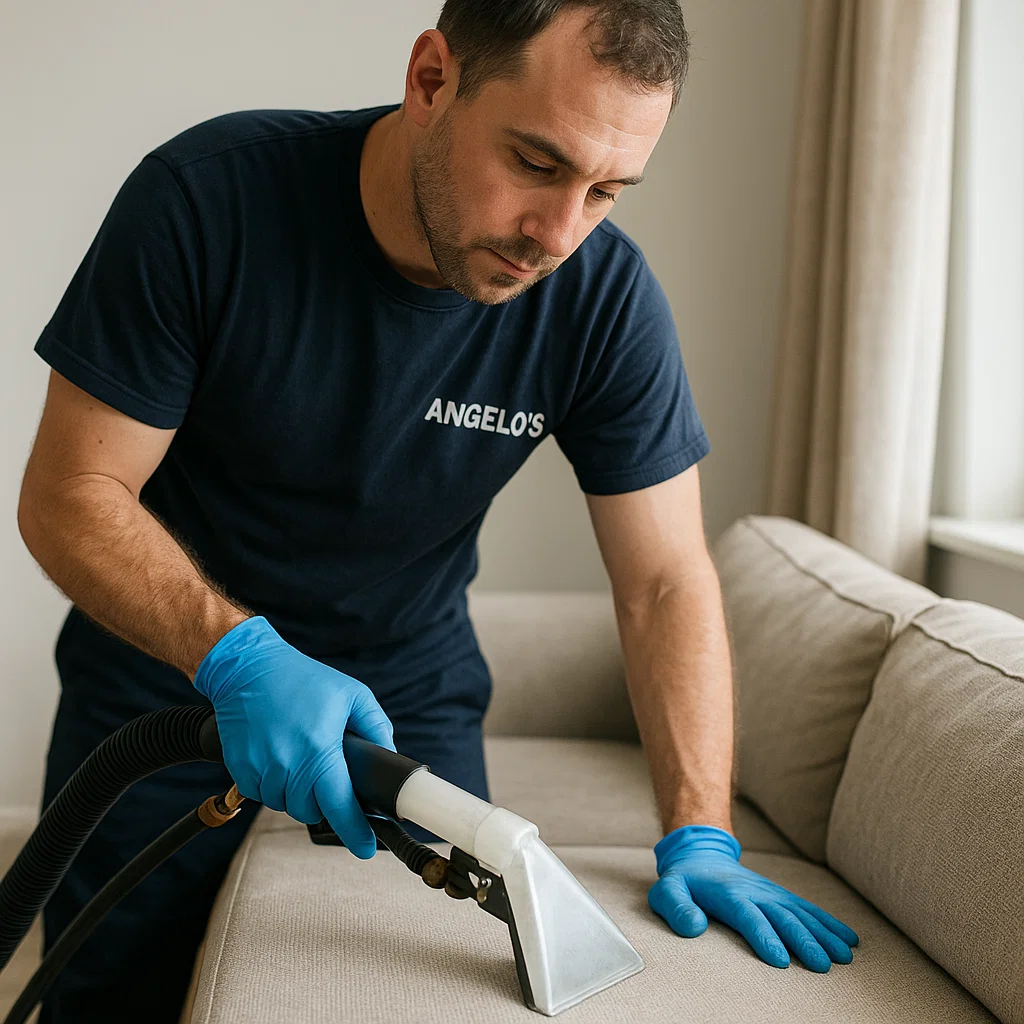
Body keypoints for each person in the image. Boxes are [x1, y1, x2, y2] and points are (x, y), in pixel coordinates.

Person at [16, 1, 859, 1020]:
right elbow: (70, 492)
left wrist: (700, 829)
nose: (558, 234)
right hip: (164, 683)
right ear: (431, 79)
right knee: (105, 997)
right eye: (537, 163)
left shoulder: (600, 300)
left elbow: (664, 578)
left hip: (404, 698)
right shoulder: (206, 201)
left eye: (605, 191)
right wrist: (236, 653)